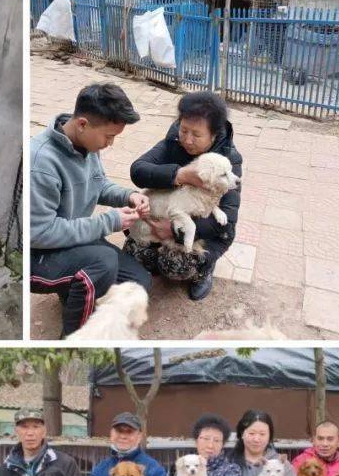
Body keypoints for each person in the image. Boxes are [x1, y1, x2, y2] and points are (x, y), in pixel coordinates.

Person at [30, 82, 153, 336]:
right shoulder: (41, 162)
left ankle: (75, 294)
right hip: (38, 256)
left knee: (138, 284)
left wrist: (128, 196)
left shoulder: (87, 145)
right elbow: (40, 232)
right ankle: (75, 340)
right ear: (83, 124)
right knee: (103, 262)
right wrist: (109, 222)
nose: (111, 144)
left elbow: (98, 184)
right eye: (109, 137)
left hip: (72, 240)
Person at [124, 91, 241, 301]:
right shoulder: (173, 142)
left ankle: (203, 270)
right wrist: (180, 175)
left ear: (214, 135)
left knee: (175, 266)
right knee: (136, 253)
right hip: (171, 211)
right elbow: (138, 170)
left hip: (202, 229)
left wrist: (173, 231)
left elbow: (226, 221)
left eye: (196, 135)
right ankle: (159, 250)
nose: (187, 139)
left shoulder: (227, 161)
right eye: (184, 129)